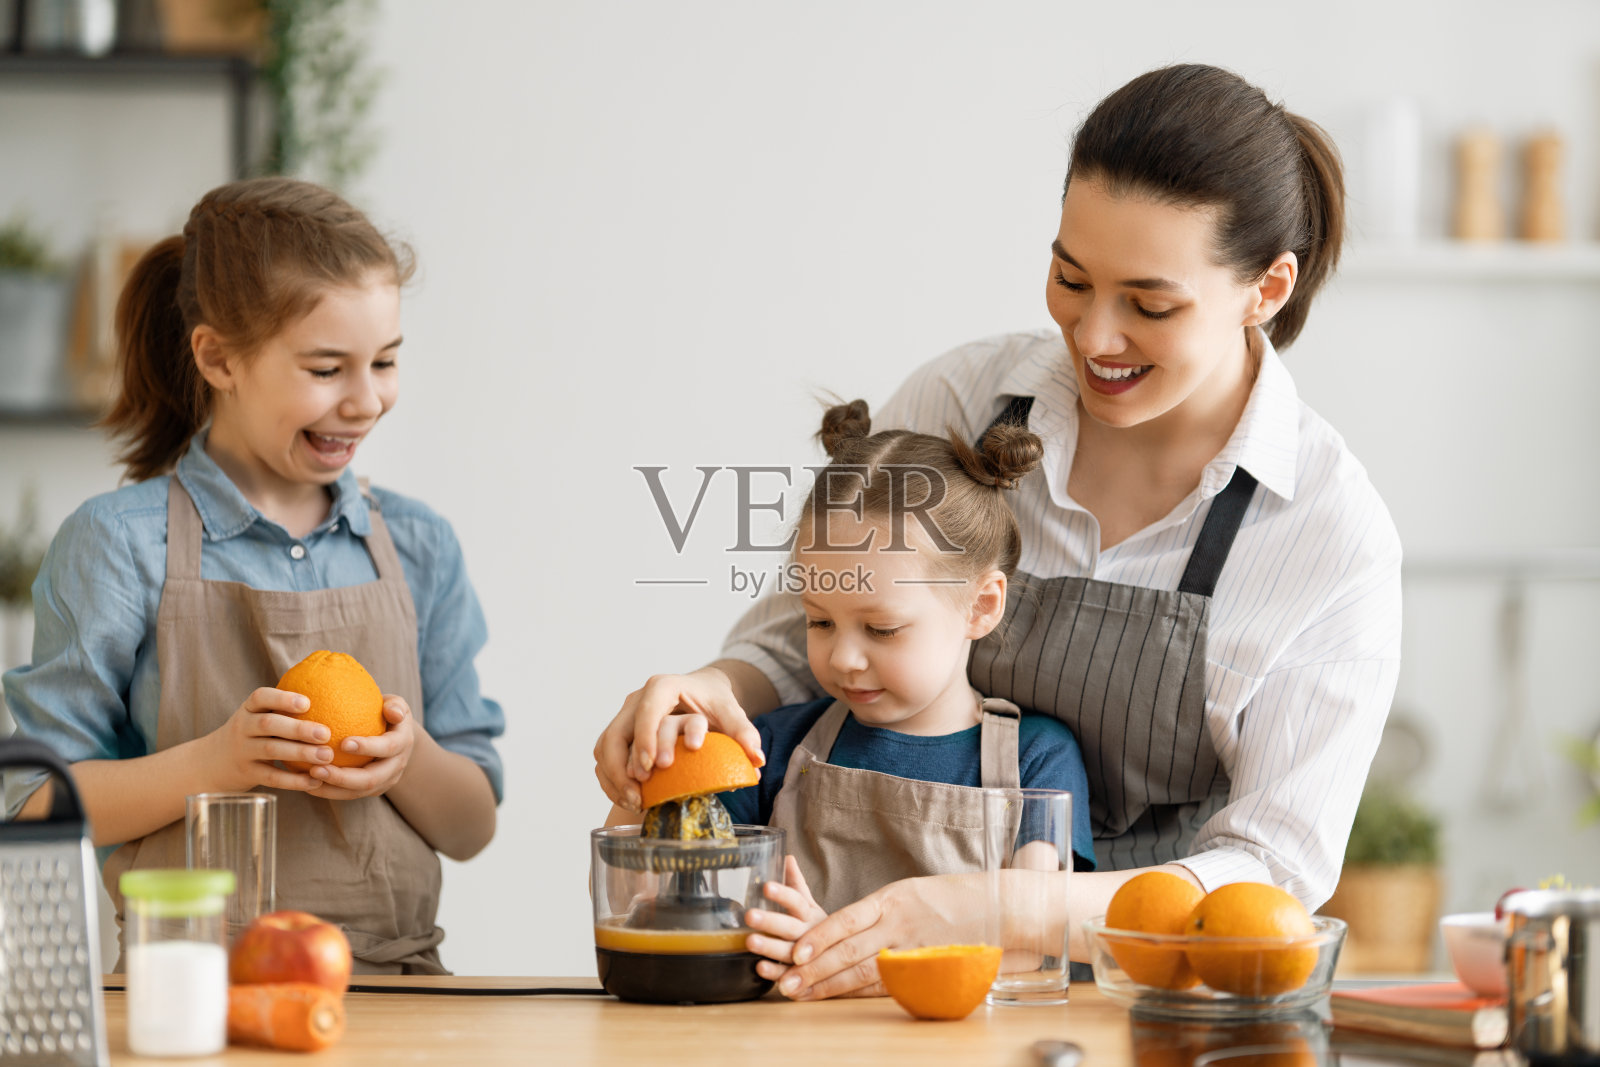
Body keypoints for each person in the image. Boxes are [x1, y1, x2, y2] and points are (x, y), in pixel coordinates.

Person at [596, 61, 1402, 1000]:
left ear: (1267, 288)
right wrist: (703, 696)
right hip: (871, 991)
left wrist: (992, 907)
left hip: (1159, 1000)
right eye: (1070, 277)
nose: (1095, 336)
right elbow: (797, 635)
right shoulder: (962, 403)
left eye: (1150, 304)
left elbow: (1274, 869)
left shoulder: (1327, 535)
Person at [2, 177, 504, 974]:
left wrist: (406, 759)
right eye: (326, 368)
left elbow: (472, 826)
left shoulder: (416, 543)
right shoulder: (117, 545)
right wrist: (217, 763)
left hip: (399, 999)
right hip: (187, 994)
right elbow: (32, 805)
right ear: (218, 357)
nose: (366, 400)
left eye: (385, 361)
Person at [607, 400, 1096, 974]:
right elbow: (645, 891)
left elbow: (1034, 948)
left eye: (881, 628)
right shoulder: (776, 748)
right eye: (818, 621)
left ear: (981, 606)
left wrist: (847, 955)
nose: (842, 657)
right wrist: (649, 769)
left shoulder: (1036, 759)